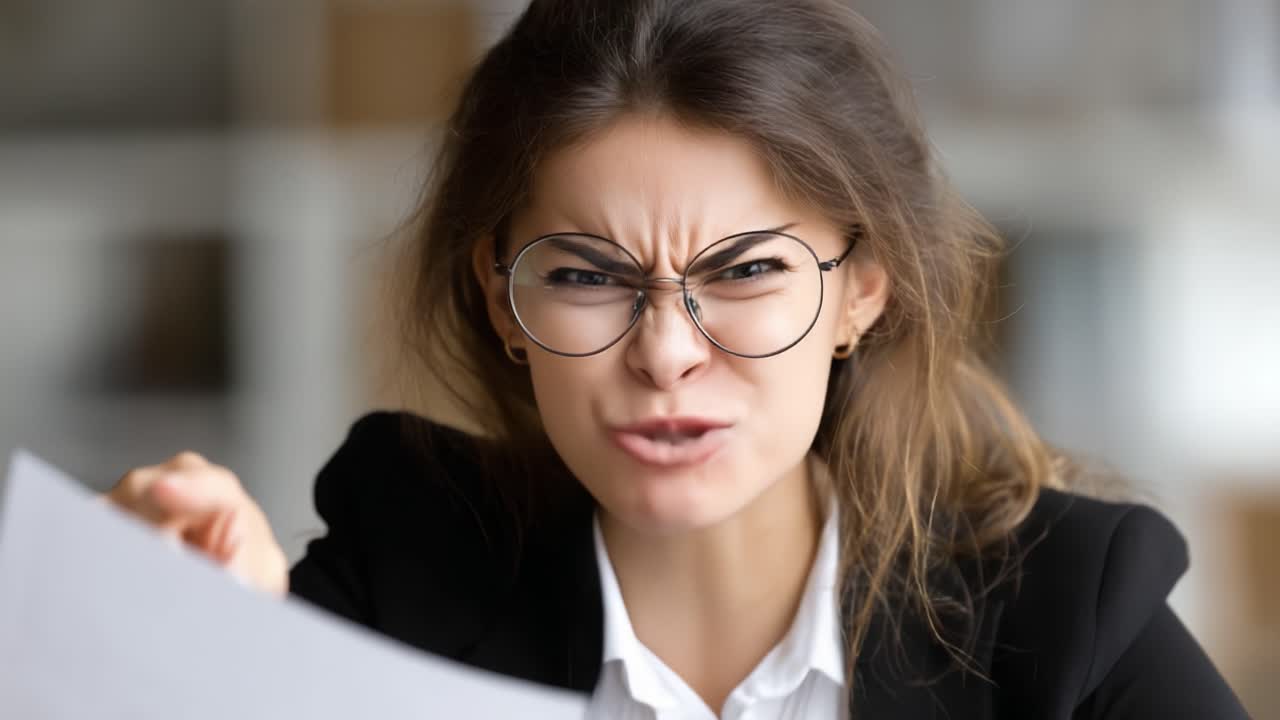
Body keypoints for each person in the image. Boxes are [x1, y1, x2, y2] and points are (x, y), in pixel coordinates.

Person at [105, 1, 1250, 718]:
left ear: (861, 290)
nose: (663, 355)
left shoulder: (1059, 617)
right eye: (585, 274)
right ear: (498, 297)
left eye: (746, 272)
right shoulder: (400, 567)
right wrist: (196, 649)